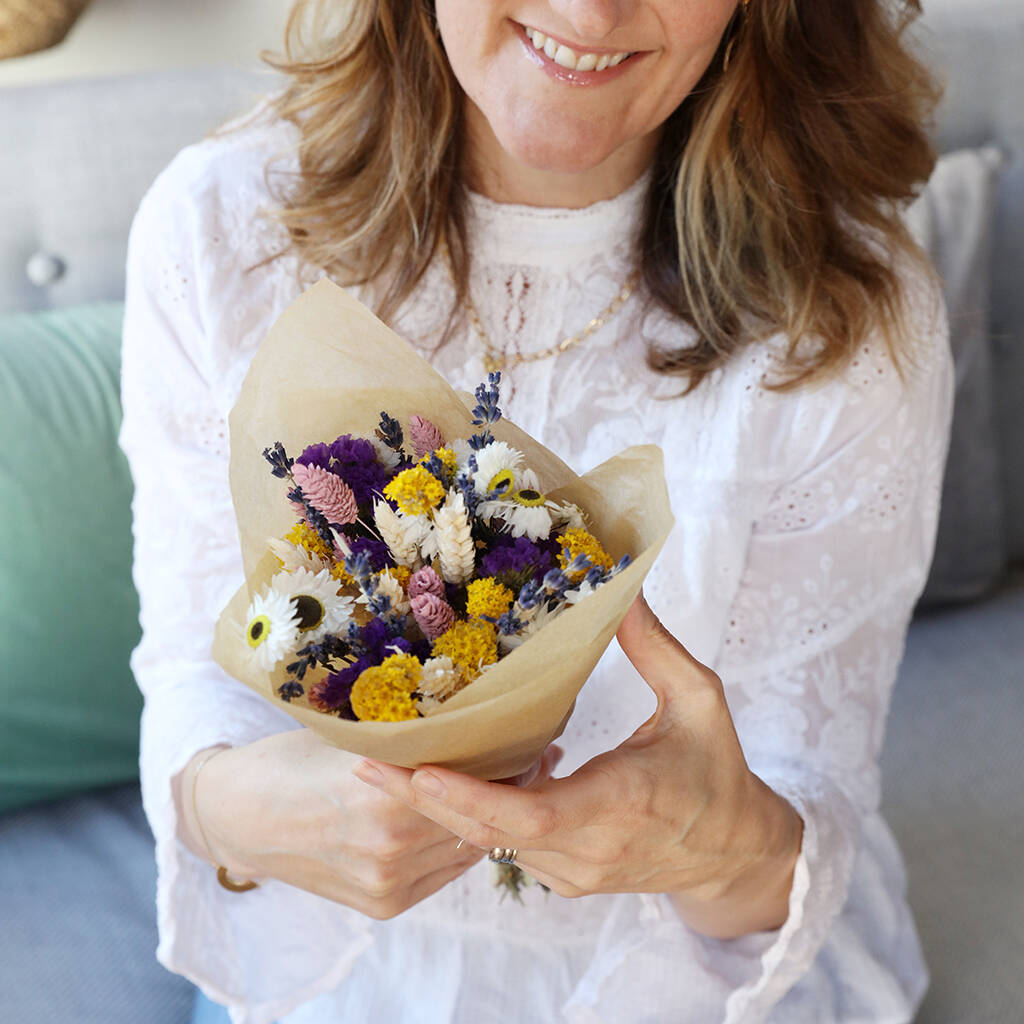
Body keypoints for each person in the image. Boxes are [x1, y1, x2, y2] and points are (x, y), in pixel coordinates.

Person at [119, 1, 952, 1021]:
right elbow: (192, 668)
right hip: (331, 971)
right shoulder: (222, 233)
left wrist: (719, 841)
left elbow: (795, 828)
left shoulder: (847, 318)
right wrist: (229, 817)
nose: (593, 11)